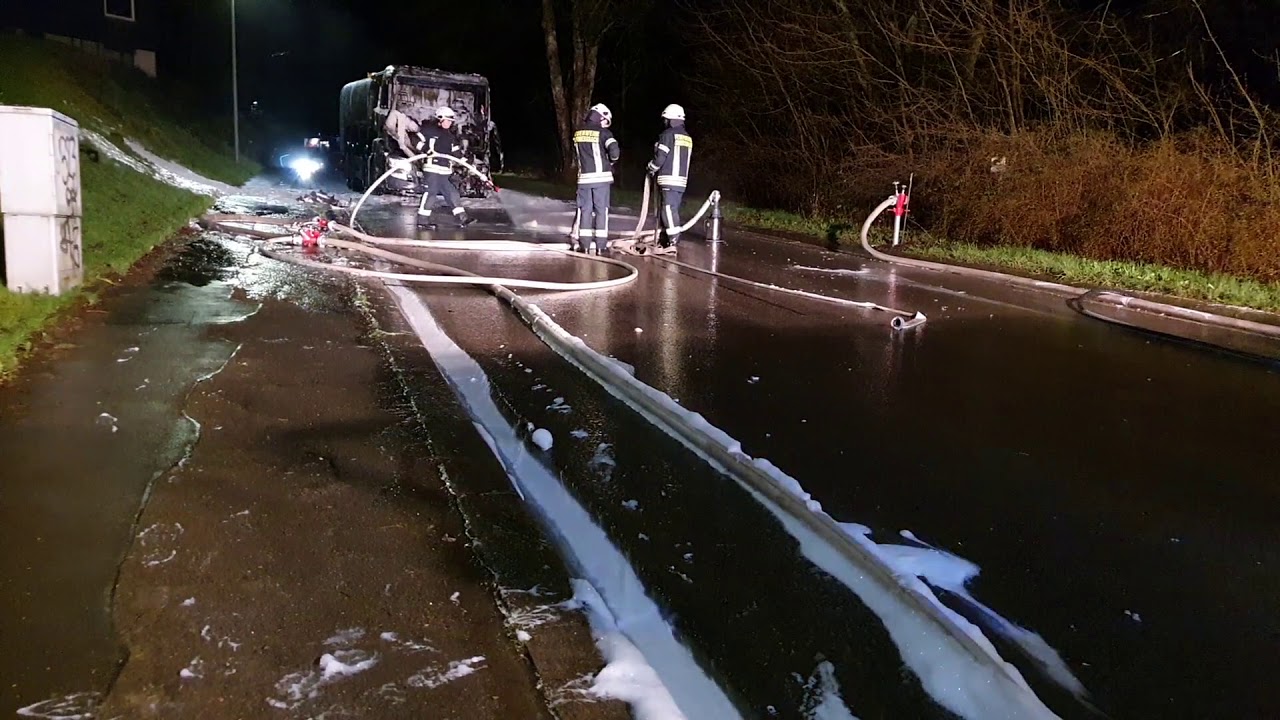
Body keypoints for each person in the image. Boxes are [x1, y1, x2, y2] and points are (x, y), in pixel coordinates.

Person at [412, 107, 474, 230]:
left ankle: (463, 218)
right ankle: (422, 221)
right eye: (447, 120)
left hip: (445, 170)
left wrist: (467, 163)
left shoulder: (450, 136)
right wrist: (426, 149)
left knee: (452, 193)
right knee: (431, 192)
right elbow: (415, 140)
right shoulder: (428, 131)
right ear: (439, 119)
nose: (449, 123)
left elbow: (456, 153)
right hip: (432, 168)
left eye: (451, 121)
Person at [572, 103, 620, 254]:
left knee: (585, 211)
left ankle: (584, 246)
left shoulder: (578, 133)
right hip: (601, 179)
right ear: (601, 117)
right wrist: (611, 162)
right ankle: (601, 247)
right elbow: (615, 152)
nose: (605, 125)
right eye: (605, 121)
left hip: (584, 179)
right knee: (601, 211)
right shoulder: (605, 134)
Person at [646, 104, 692, 251]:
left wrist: (651, 168)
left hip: (668, 179)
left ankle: (673, 241)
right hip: (681, 180)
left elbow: (660, 159)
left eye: (665, 119)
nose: (664, 122)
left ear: (670, 119)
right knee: (673, 210)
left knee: (667, 209)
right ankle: (665, 239)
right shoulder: (687, 137)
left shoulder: (667, 136)